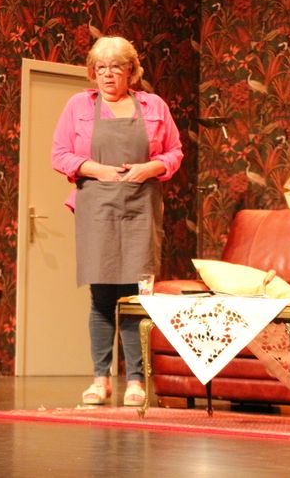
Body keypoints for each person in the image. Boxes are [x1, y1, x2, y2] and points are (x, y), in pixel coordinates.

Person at [51, 36, 183, 407]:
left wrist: (150, 167)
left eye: (116, 67)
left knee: (136, 297)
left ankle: (136, 381)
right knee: (103, 296)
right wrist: (96, 169)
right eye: (101, 68)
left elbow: (175, 151)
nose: (108, 75)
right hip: (98, 206)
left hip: (141, 206)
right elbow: (59, 154)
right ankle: (100, 379)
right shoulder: (79, 105)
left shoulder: (154, 106)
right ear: (93, 72)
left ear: (131, 71)